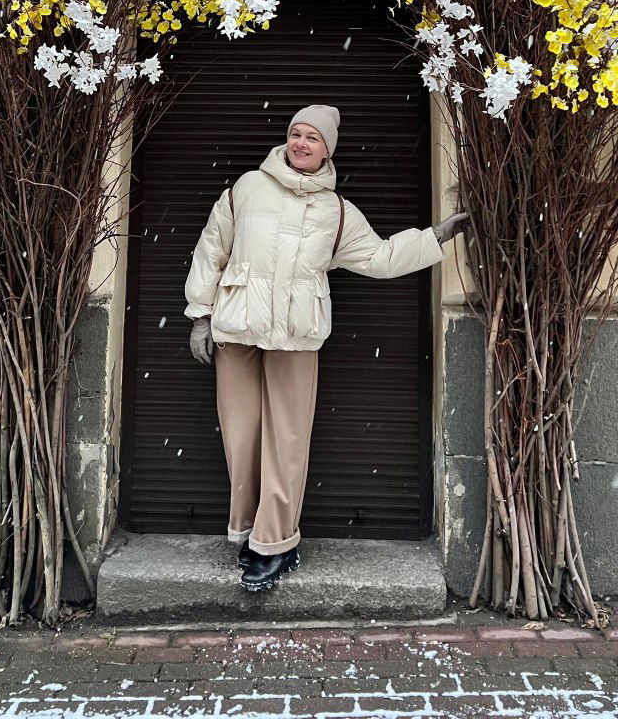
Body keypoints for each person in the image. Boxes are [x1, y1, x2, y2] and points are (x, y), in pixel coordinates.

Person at [184, 104, 468, 593]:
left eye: (312, 138)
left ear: (327, 149)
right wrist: (199, 315)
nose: (301, 144)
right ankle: (248, 528)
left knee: (287, 441)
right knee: (242, 436)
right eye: (295, 134)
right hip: (237, 332)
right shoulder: (246, 189)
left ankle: (273, 543)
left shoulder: (337, 212)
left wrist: (434, 238)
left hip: (296, 338)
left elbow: (379, 258)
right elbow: (212, 250)